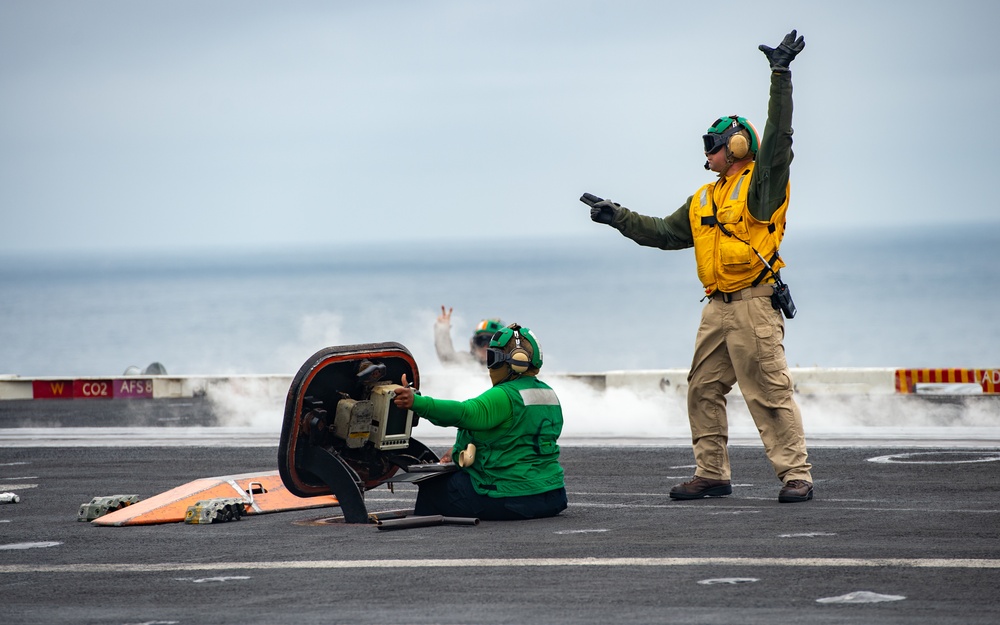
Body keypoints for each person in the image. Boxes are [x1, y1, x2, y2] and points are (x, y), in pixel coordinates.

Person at [586, 30, 813, 503]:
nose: (707, 151)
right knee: (702, 389)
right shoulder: (704, 198)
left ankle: (796, 475)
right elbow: (666, 233)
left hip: (753, 304)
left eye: (713, 143)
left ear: (735, 144)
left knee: (769, 393)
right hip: (716, 308)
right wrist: (619, 217)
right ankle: (712, 473)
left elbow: (777, 140)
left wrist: (780, 76)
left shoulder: (761, 186)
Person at [393, 323, 568, 520]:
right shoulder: (549, 394)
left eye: (493, 358)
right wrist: (461, 447)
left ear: (511, 362)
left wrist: (416, 402)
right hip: (553, 496)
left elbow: (464, 413)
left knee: (433, 489)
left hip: (510, 498)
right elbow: (514, 436)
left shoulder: (505, 395)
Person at [433, 305, 504, 366]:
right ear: (474, 343)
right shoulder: (467, 363)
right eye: (480, 340)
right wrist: (442, 329)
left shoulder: (507, 367)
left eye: (490, 341)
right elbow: (448, 358)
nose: (485, 347)